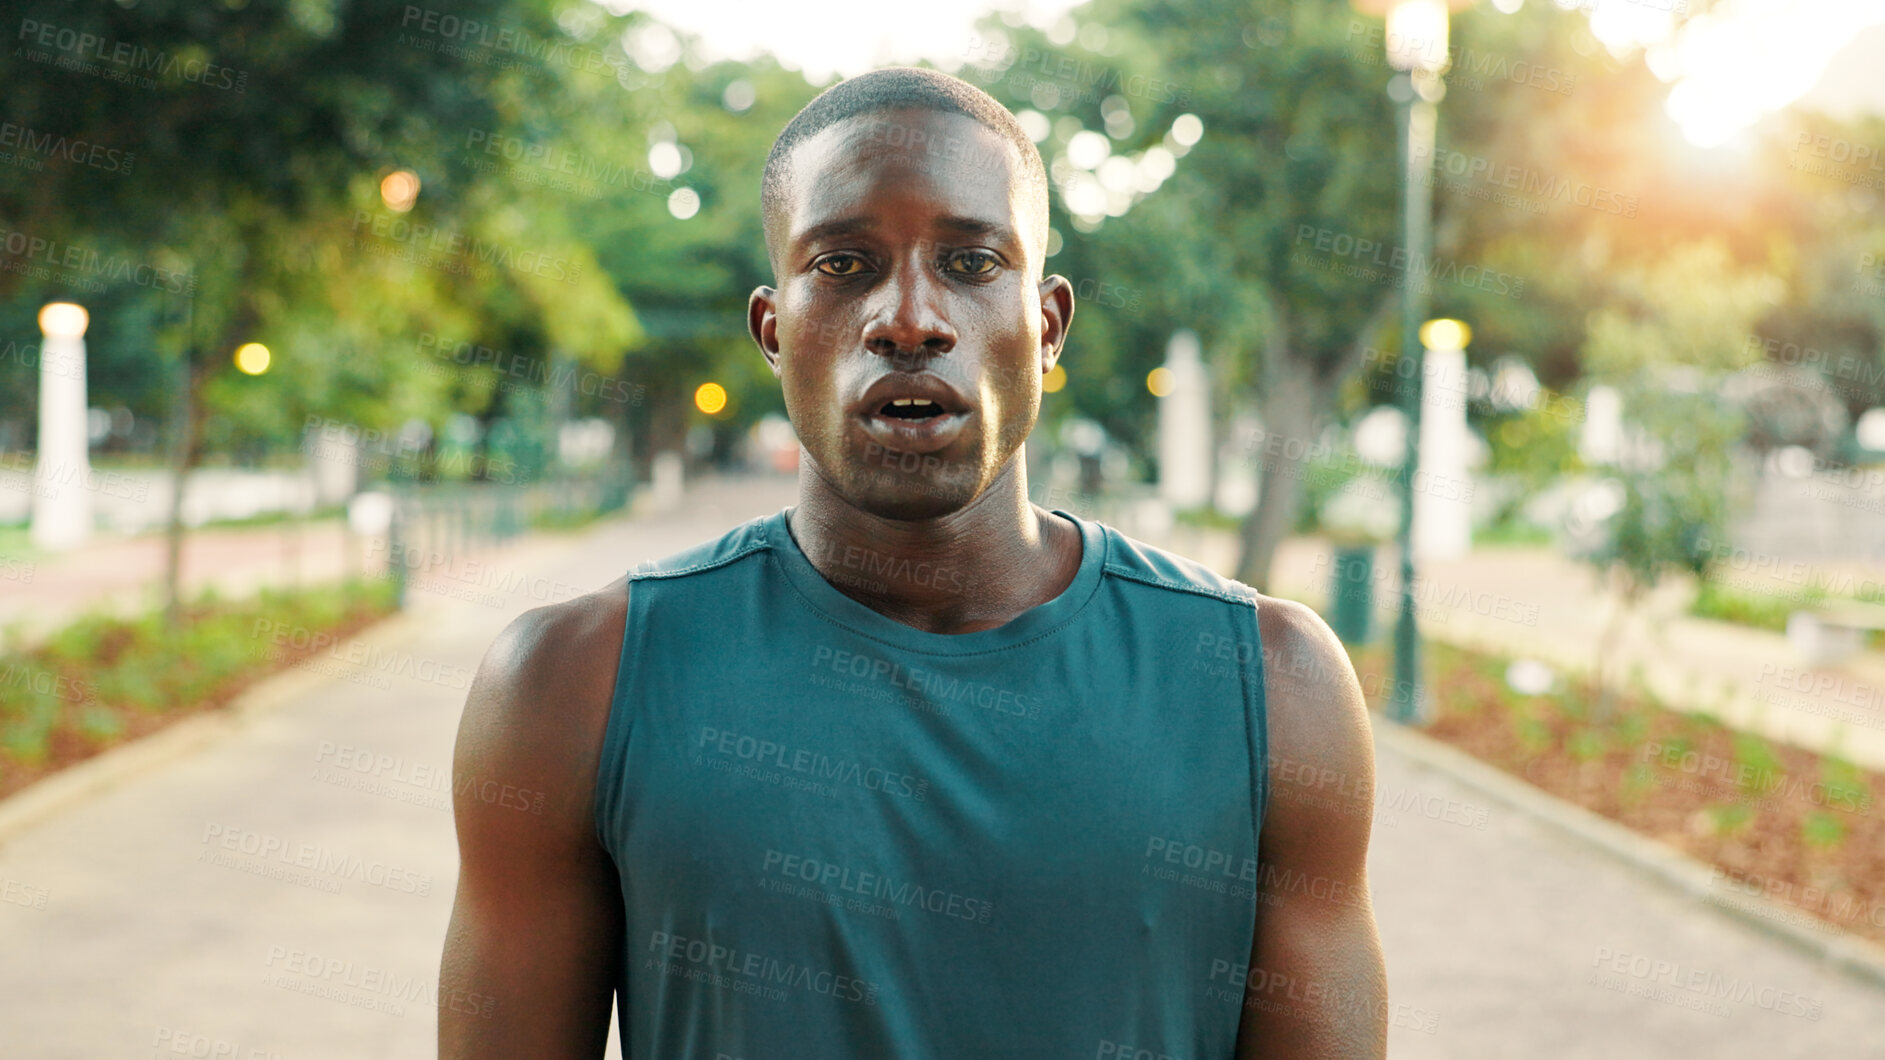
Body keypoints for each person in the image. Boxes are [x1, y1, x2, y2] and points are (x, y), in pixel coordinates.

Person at [439, 65, 1386, 1059]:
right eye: (844, 264)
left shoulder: (1268, 681)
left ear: (1048, 325)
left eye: (973, 262)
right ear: (773, 331)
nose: (910, 319)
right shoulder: (571, 680)